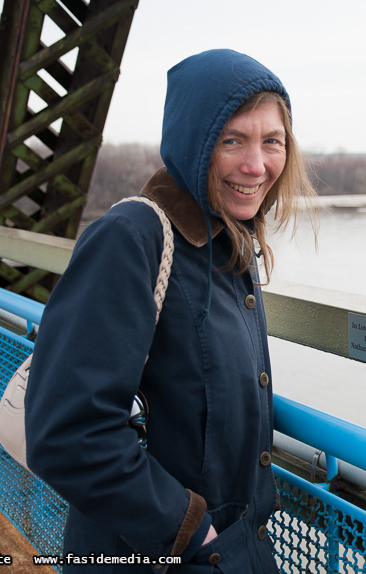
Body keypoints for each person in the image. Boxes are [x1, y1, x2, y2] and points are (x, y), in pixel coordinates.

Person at [25, 49, 317, 572]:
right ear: (193, 142)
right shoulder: (131, 240)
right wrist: (190, 530)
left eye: (272, 141)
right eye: (232, 140)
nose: (257, 165)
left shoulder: (228, 249)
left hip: (232, 551)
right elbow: (67, 433)